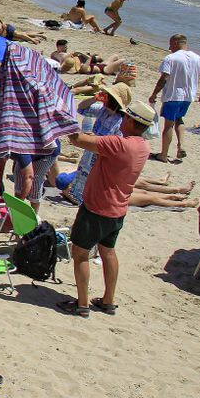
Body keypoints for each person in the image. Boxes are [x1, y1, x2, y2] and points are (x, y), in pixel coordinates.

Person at [56, 100, 155, 318]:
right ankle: (108, 300)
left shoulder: (119, 144)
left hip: (96, 208)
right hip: (118, 209)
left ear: (130, 120)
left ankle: (82, 304)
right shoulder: (143, 147)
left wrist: (65, 120)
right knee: (108, 251)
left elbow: (78, 140)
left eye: (125, 116)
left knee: (80, 254)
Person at [60, 83, 130, 206]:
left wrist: (96, 139)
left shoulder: (120, 122)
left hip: (101, 159)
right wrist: (94, 98)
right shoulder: (103, 110)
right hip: (89, 156)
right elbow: (81, 108)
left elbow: (115, 147)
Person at [148, 34, 200, 164]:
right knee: (179, 119)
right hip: (188, 96)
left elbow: (164, 78)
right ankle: (181, 146)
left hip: (173, 95)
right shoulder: (197, 58)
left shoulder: (171, 58)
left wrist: (154, 94)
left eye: (170, 44)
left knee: (169, 125)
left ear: (176, 42)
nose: (169, 47)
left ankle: (164, 155)